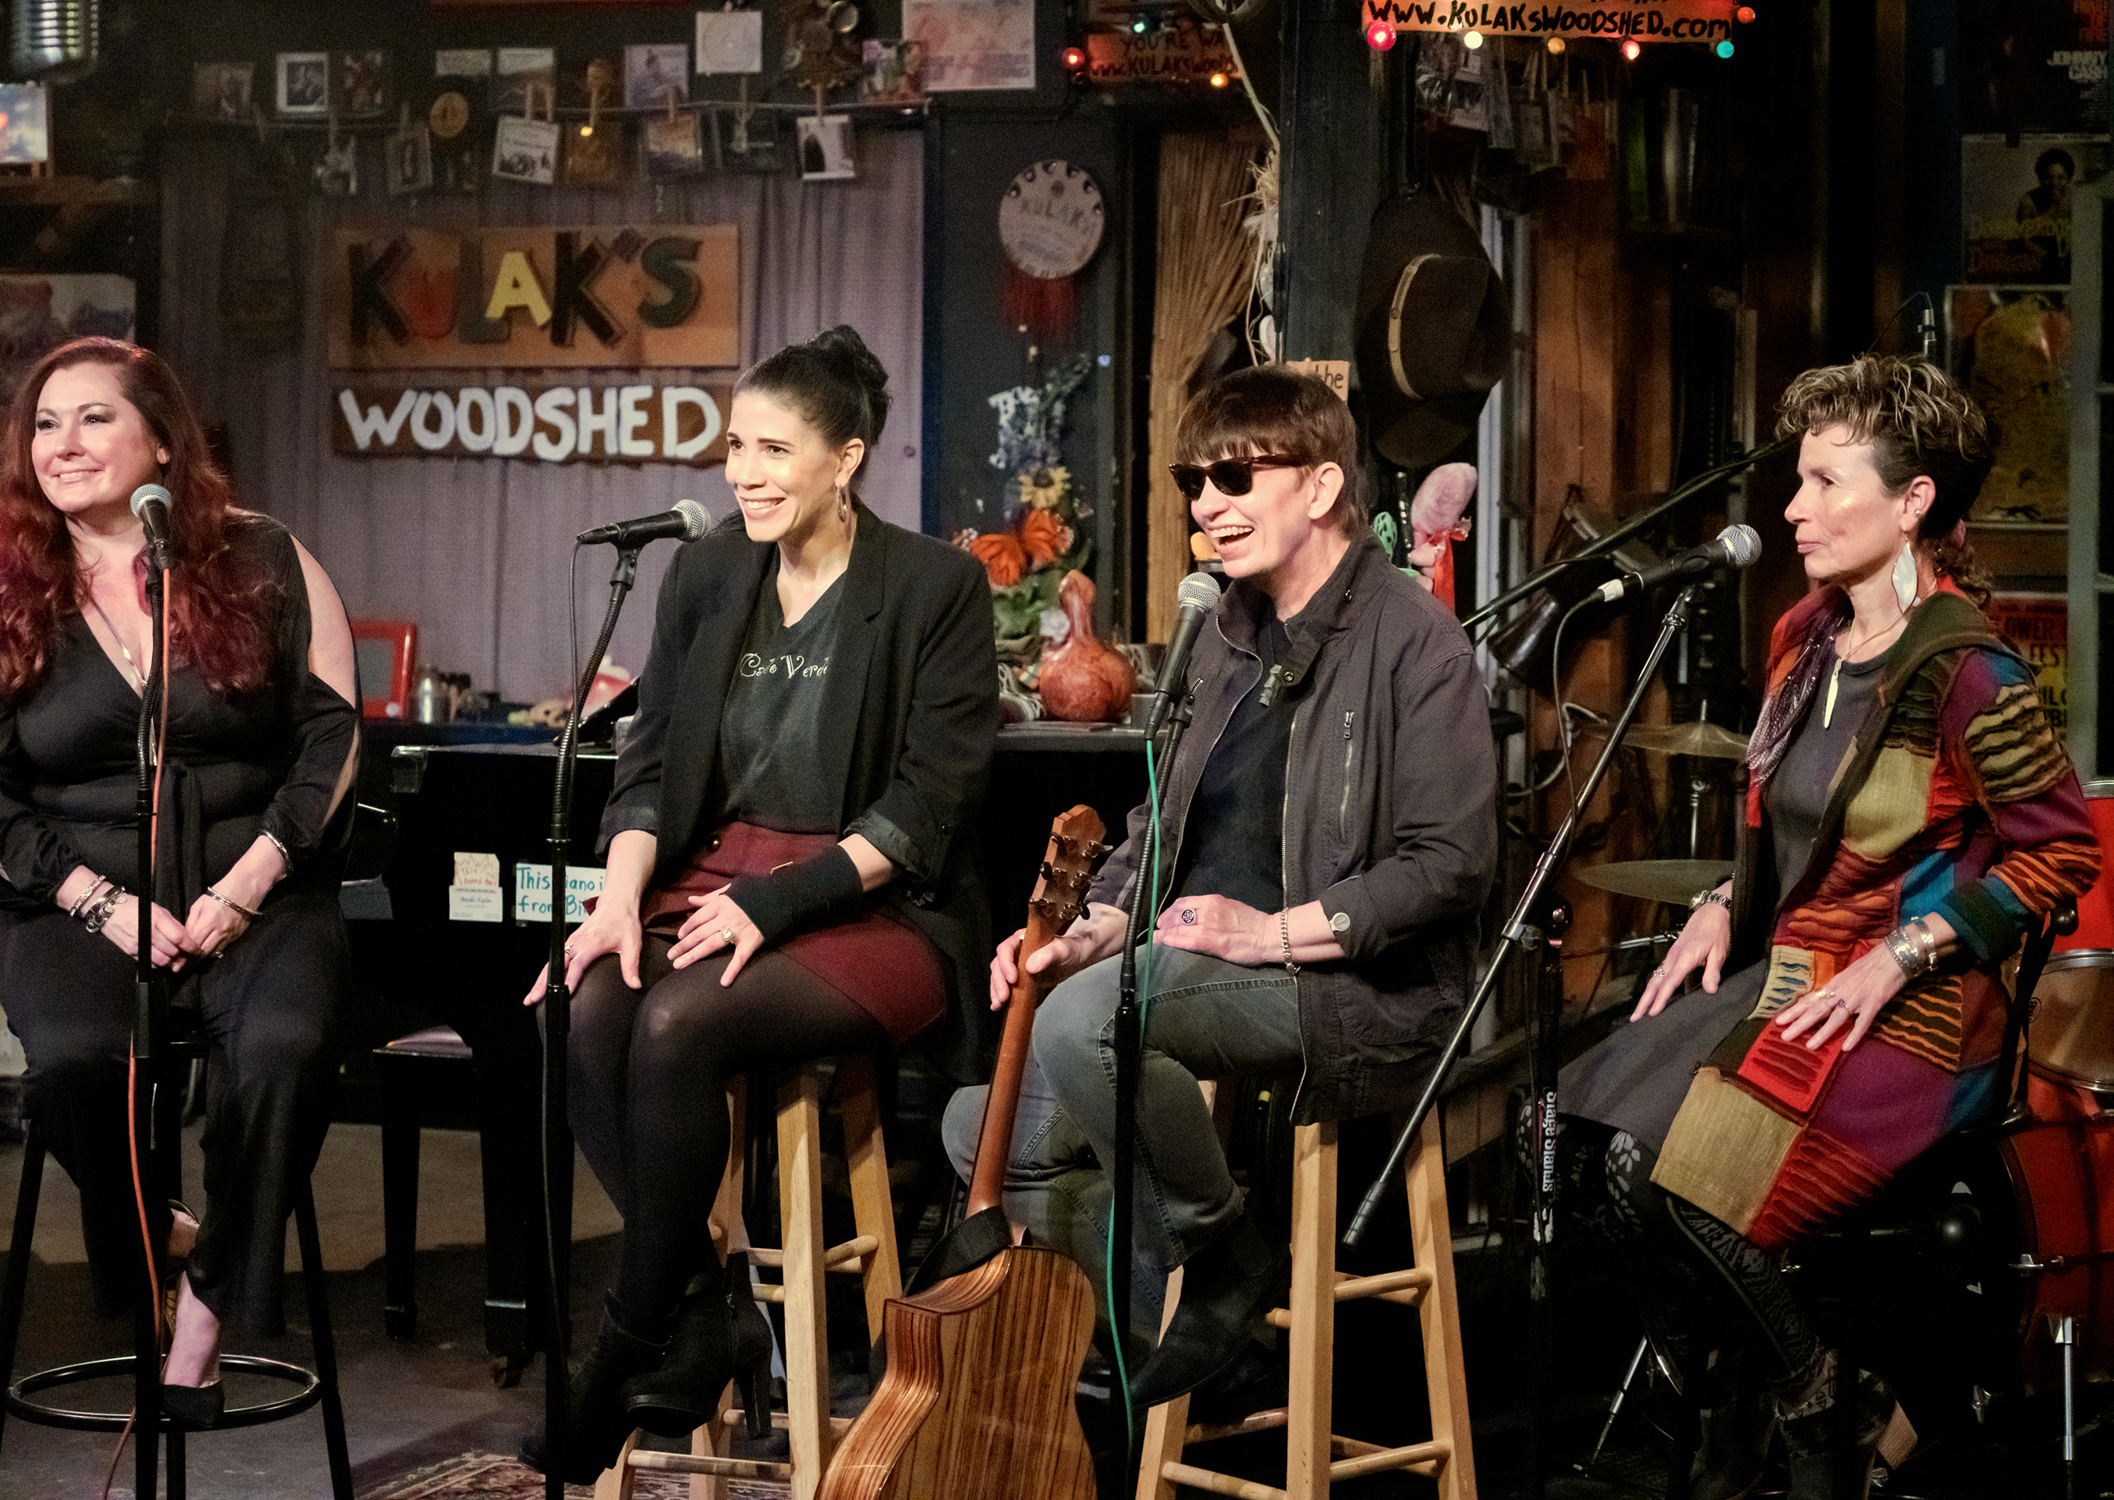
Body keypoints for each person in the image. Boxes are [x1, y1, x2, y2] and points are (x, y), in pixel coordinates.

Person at [1559, 354, 2099, 1500]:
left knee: (1669, 1180)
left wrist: (1906, 951)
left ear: (1911, 503)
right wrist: (1718, 902)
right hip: (1793, 976)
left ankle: (1808, 1402)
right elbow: (1788, 820)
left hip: (1915, 1019)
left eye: (1822, 481)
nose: (1791, 508)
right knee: (1567, 1152)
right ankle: (1772, 1392)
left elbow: (2059, 852)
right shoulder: (1804, 638)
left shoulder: (1966, 672)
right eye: (1793, 479)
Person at [944, 364, 1498, 1408]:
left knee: (1075, 1032)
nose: (1206, 504)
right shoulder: (1220, 631)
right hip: (1194, 966)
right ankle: (1120, 1361)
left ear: (1324, 487)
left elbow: (1449, 864)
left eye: (1235, 477)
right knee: (981, 1126)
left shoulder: (1412, 639)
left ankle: (1223, 1258)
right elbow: (1162, 819)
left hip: (1358, 988)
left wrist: (1271, 931)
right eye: (1193, 479)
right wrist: (1096, 923)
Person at [523, 326, 998, 1481]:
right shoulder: (706, 570)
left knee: (681, 1024)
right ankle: (702, 1304)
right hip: (708, 872)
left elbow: (926, 808)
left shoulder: (935, 587)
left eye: (773, 449)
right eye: (733, 446)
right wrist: (615, 902)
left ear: (846, 459)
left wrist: (779, 901)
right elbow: (647, 759)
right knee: (578, 1002)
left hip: (871, 905)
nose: (743, 473)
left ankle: (627, 1348)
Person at [0, 337, 360, 1429]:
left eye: (90, 419)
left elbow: (332, 734)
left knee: (282, 1051)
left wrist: (254, 878)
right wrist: (99, 903)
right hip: (76, 899)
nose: (61, 445)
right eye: (43, 425)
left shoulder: (261, 557)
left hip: (256, 892)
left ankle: (206, 1317)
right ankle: (170, 1240)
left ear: (161, 438)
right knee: (73, 1067)